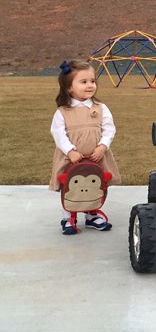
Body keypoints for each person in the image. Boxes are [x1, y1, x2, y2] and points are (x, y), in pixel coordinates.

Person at [49, 60, 121, 235]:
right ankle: (68, 217)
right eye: (83, 82)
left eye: (92, 81)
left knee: (95, 184)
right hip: (71, 159)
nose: (90, 85)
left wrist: (103, 146)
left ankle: (92, 215)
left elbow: (109, 128)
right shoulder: (63, 112)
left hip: (97, 157)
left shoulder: (101, 108)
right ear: (69, 88)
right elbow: (58, 134)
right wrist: (70, 151)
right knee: (70, 186)